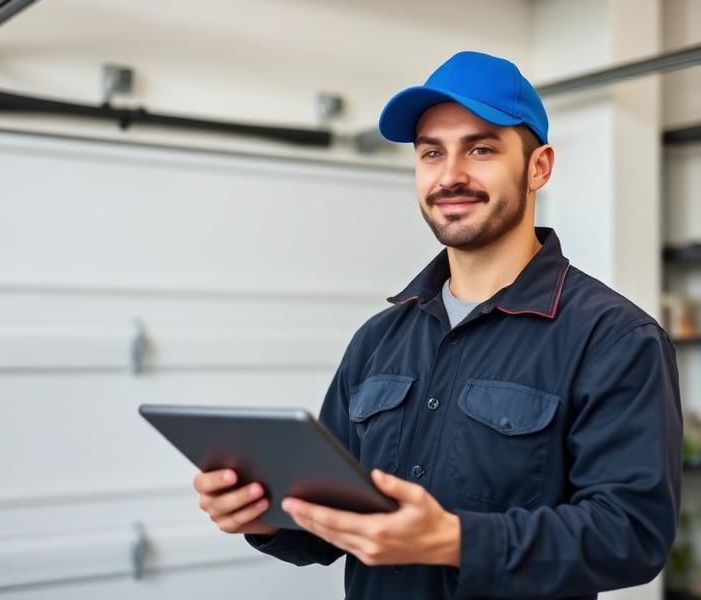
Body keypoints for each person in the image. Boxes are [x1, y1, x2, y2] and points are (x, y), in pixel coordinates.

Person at [192, 50, 683, 599]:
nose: (450, 176)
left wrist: (455, 541)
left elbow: (631, 535)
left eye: (480, 149)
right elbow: (332, 515)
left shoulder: (614, 339)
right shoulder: (378, 339)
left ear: (539, 167)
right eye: (431, 153)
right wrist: (264, 515)